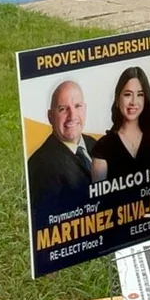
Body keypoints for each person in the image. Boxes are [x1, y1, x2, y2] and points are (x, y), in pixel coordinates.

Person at [26, 80, 94, 221]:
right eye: (63, 109)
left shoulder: (95, 145)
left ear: (85, 109)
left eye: (77, 106)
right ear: (50, 116)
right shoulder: (40, 166)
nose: (72, 116)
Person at [90, 67, 150, 182]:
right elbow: (100, 198)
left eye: (140, 95)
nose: (134, 102)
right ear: (117, 100)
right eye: (128, 94)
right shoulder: (103, 147)